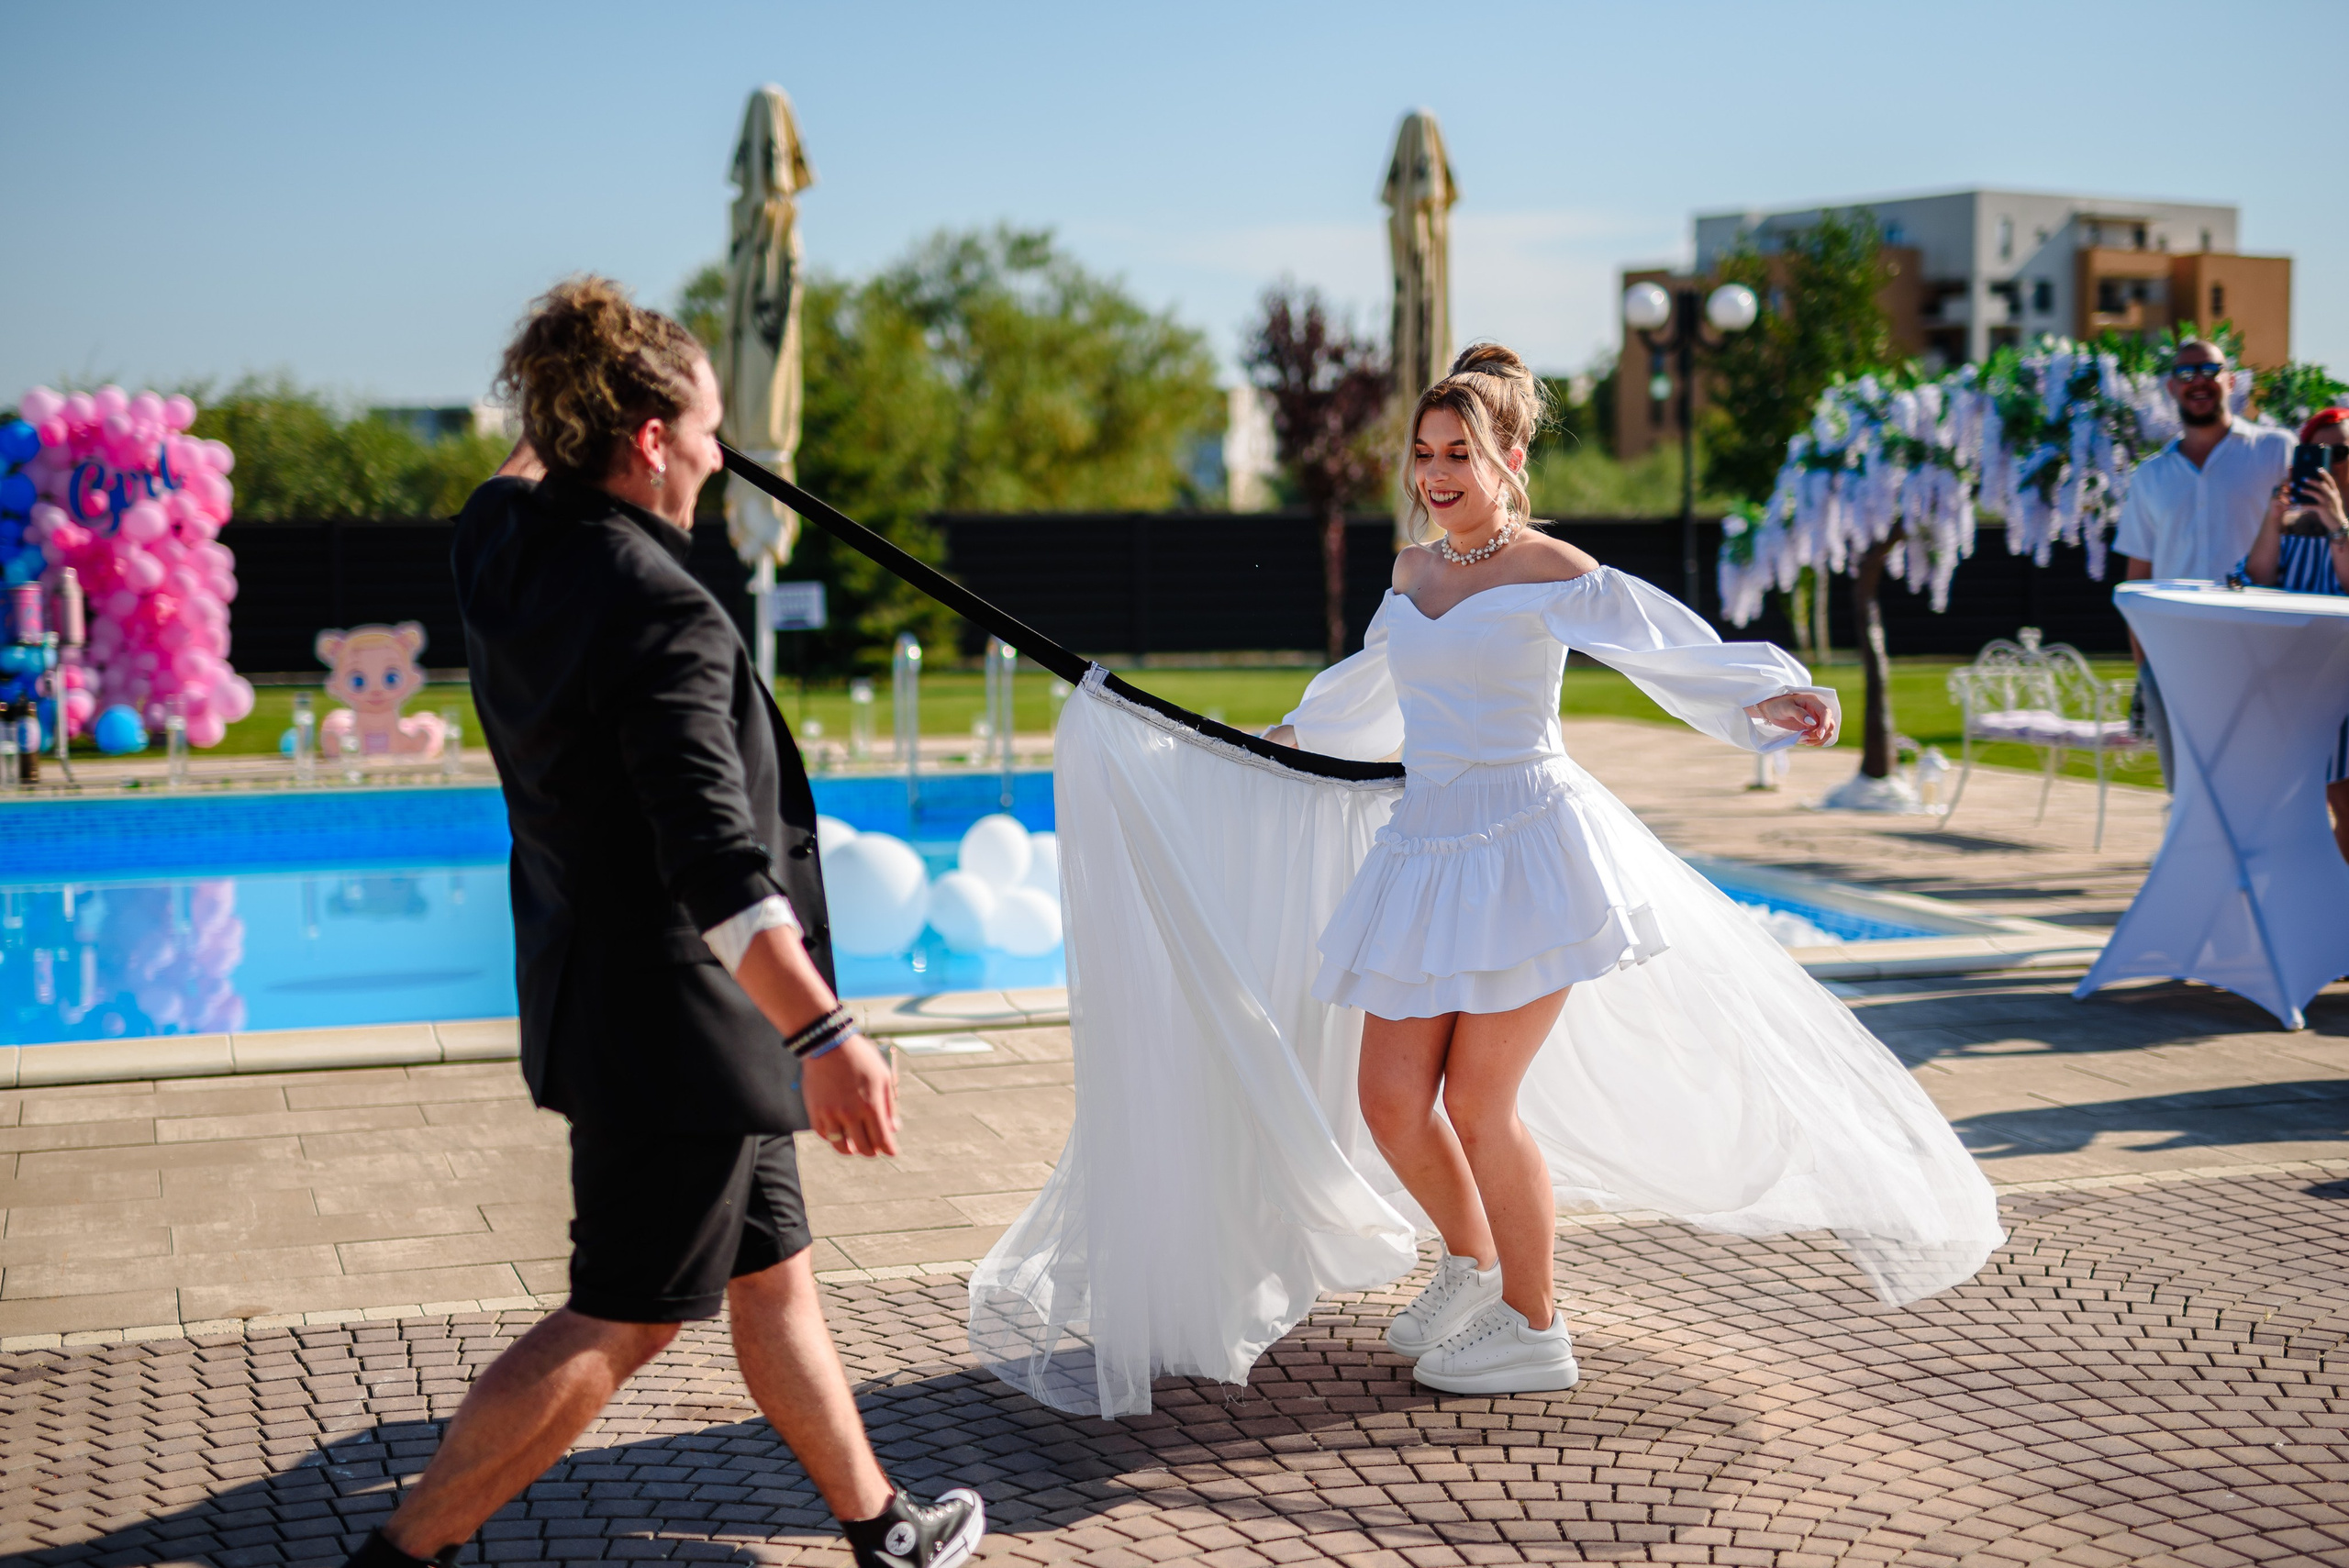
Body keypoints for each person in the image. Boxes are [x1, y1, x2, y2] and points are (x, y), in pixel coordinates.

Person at [967, 344, 2000, 1414]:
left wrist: (1768, 694)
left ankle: (1537, 1322)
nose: (1435, 472)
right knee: (1389, 1098)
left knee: (1478, 1099)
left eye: (1459, 451)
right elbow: (1364, 693)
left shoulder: (1554, 573)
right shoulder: (1413, 573)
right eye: (1423, 453)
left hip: (1529, 845)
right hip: (1425, 851)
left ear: (1508, 457)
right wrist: (1254, 745)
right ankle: (1469, 1263)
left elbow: (1664, 648)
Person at [340, 279, 984, 1568]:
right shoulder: (664, 613)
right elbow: (717, 867)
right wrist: (830, 1035)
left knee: (772, 1273)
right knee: (624, 1318)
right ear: (645, 438)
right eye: (704, 427)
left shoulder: (502, 540)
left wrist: (593, 351)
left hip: (626, 1005)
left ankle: (882, 1526)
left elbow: (533, 451)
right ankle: (404, 1552)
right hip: (684, 1029)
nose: (715, 452)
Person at [2110, 339, 2293, 786]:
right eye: (2187, 374)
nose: (2199, 382)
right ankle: (2194, 859)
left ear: (2230, 381)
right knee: (2187, 788)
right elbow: (2138, 581)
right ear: (2171, 388)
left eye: (2210, 370)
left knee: (2263, 781)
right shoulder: (2150, 476)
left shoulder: (2276, 451)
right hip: (2177, 656)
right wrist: (2145, 670)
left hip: (2262, 652)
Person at [2237, 406, 2349, 861]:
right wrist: (2272, 518)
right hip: (2293, 687)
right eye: (2318, 451)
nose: (2331, 461)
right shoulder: (2291, 524)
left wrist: (2339, 525)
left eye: (2341, 450)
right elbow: (2256, 581)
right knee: (2290, 809)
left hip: (2344, 686)